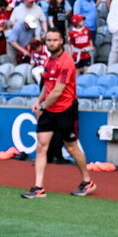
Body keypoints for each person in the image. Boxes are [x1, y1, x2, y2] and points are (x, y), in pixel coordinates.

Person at [20, 30, 96, 199]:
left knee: (71, 147)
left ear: (61, 41)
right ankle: (38, 187)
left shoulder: (67, 62)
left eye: (55, 40)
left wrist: (43, 106)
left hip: (65, 109)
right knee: (41, 146)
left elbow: (58, 90)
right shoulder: (48, 61)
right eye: (49, 40)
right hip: (49, 109)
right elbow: (47, 85)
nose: (52, 43)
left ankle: (87, 181)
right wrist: (38, 100)